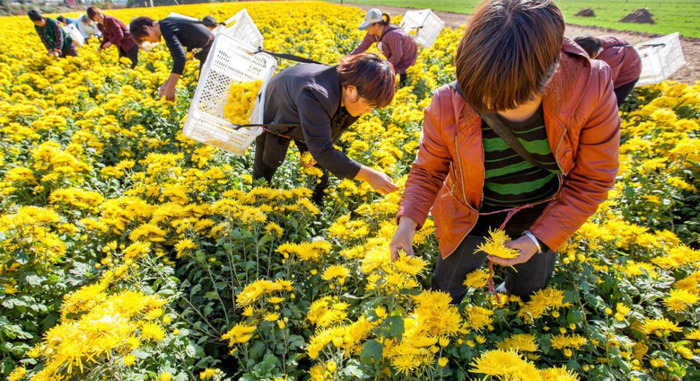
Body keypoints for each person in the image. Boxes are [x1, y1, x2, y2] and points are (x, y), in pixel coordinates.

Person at [390, 0, 620, 303]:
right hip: (469, 214)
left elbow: (592, 180)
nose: (491, 106)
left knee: (528, 290)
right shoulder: (449, 100)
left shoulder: (590, 87)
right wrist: (407, 222)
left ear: (550, 75)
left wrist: (538, 239)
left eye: (509, 102)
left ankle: (512, 299)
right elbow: (428, 169)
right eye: (480, 98)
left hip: (543, 213)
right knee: (447, 286)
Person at [253, 53, 399, 204]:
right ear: (351, 90)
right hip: (277, 110)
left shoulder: (355, 90)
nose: (369, 111)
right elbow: (324, 150)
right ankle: (257, 201)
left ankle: (316, 206)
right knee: (267, 165)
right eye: (369, 105)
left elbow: (332, 133)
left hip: (308, 109)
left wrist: (317, 154)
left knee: (319, 171)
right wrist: (369, 175)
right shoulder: (317, 95)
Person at [129, 16, 214, 101]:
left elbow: (180, 58)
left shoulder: (166, 27)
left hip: (212, 51)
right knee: (203, 93)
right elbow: (178, 59)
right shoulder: (166, 25)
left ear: (146, 28)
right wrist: (166, 84)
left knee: (204, 94)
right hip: (209, 51)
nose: (150, 42)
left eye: (145, 39)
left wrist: (171, 87)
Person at [351, 9, 417, 87]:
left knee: (402, 81)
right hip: (394, 57)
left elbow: (396, 56)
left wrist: (382, 70)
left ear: (376, 25)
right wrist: (348, 59)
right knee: (387, 79)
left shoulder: (392, 35)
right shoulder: (372, 34)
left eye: (368, 26)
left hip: (407, 58)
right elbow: (361, 47)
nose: (366, 29)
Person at [574, 35, 642, 106]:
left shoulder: (612, 55)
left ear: (594, 54)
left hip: (627, 75)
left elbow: (605, 83)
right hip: (615, 64)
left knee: (608, 105)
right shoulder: (589, 43)